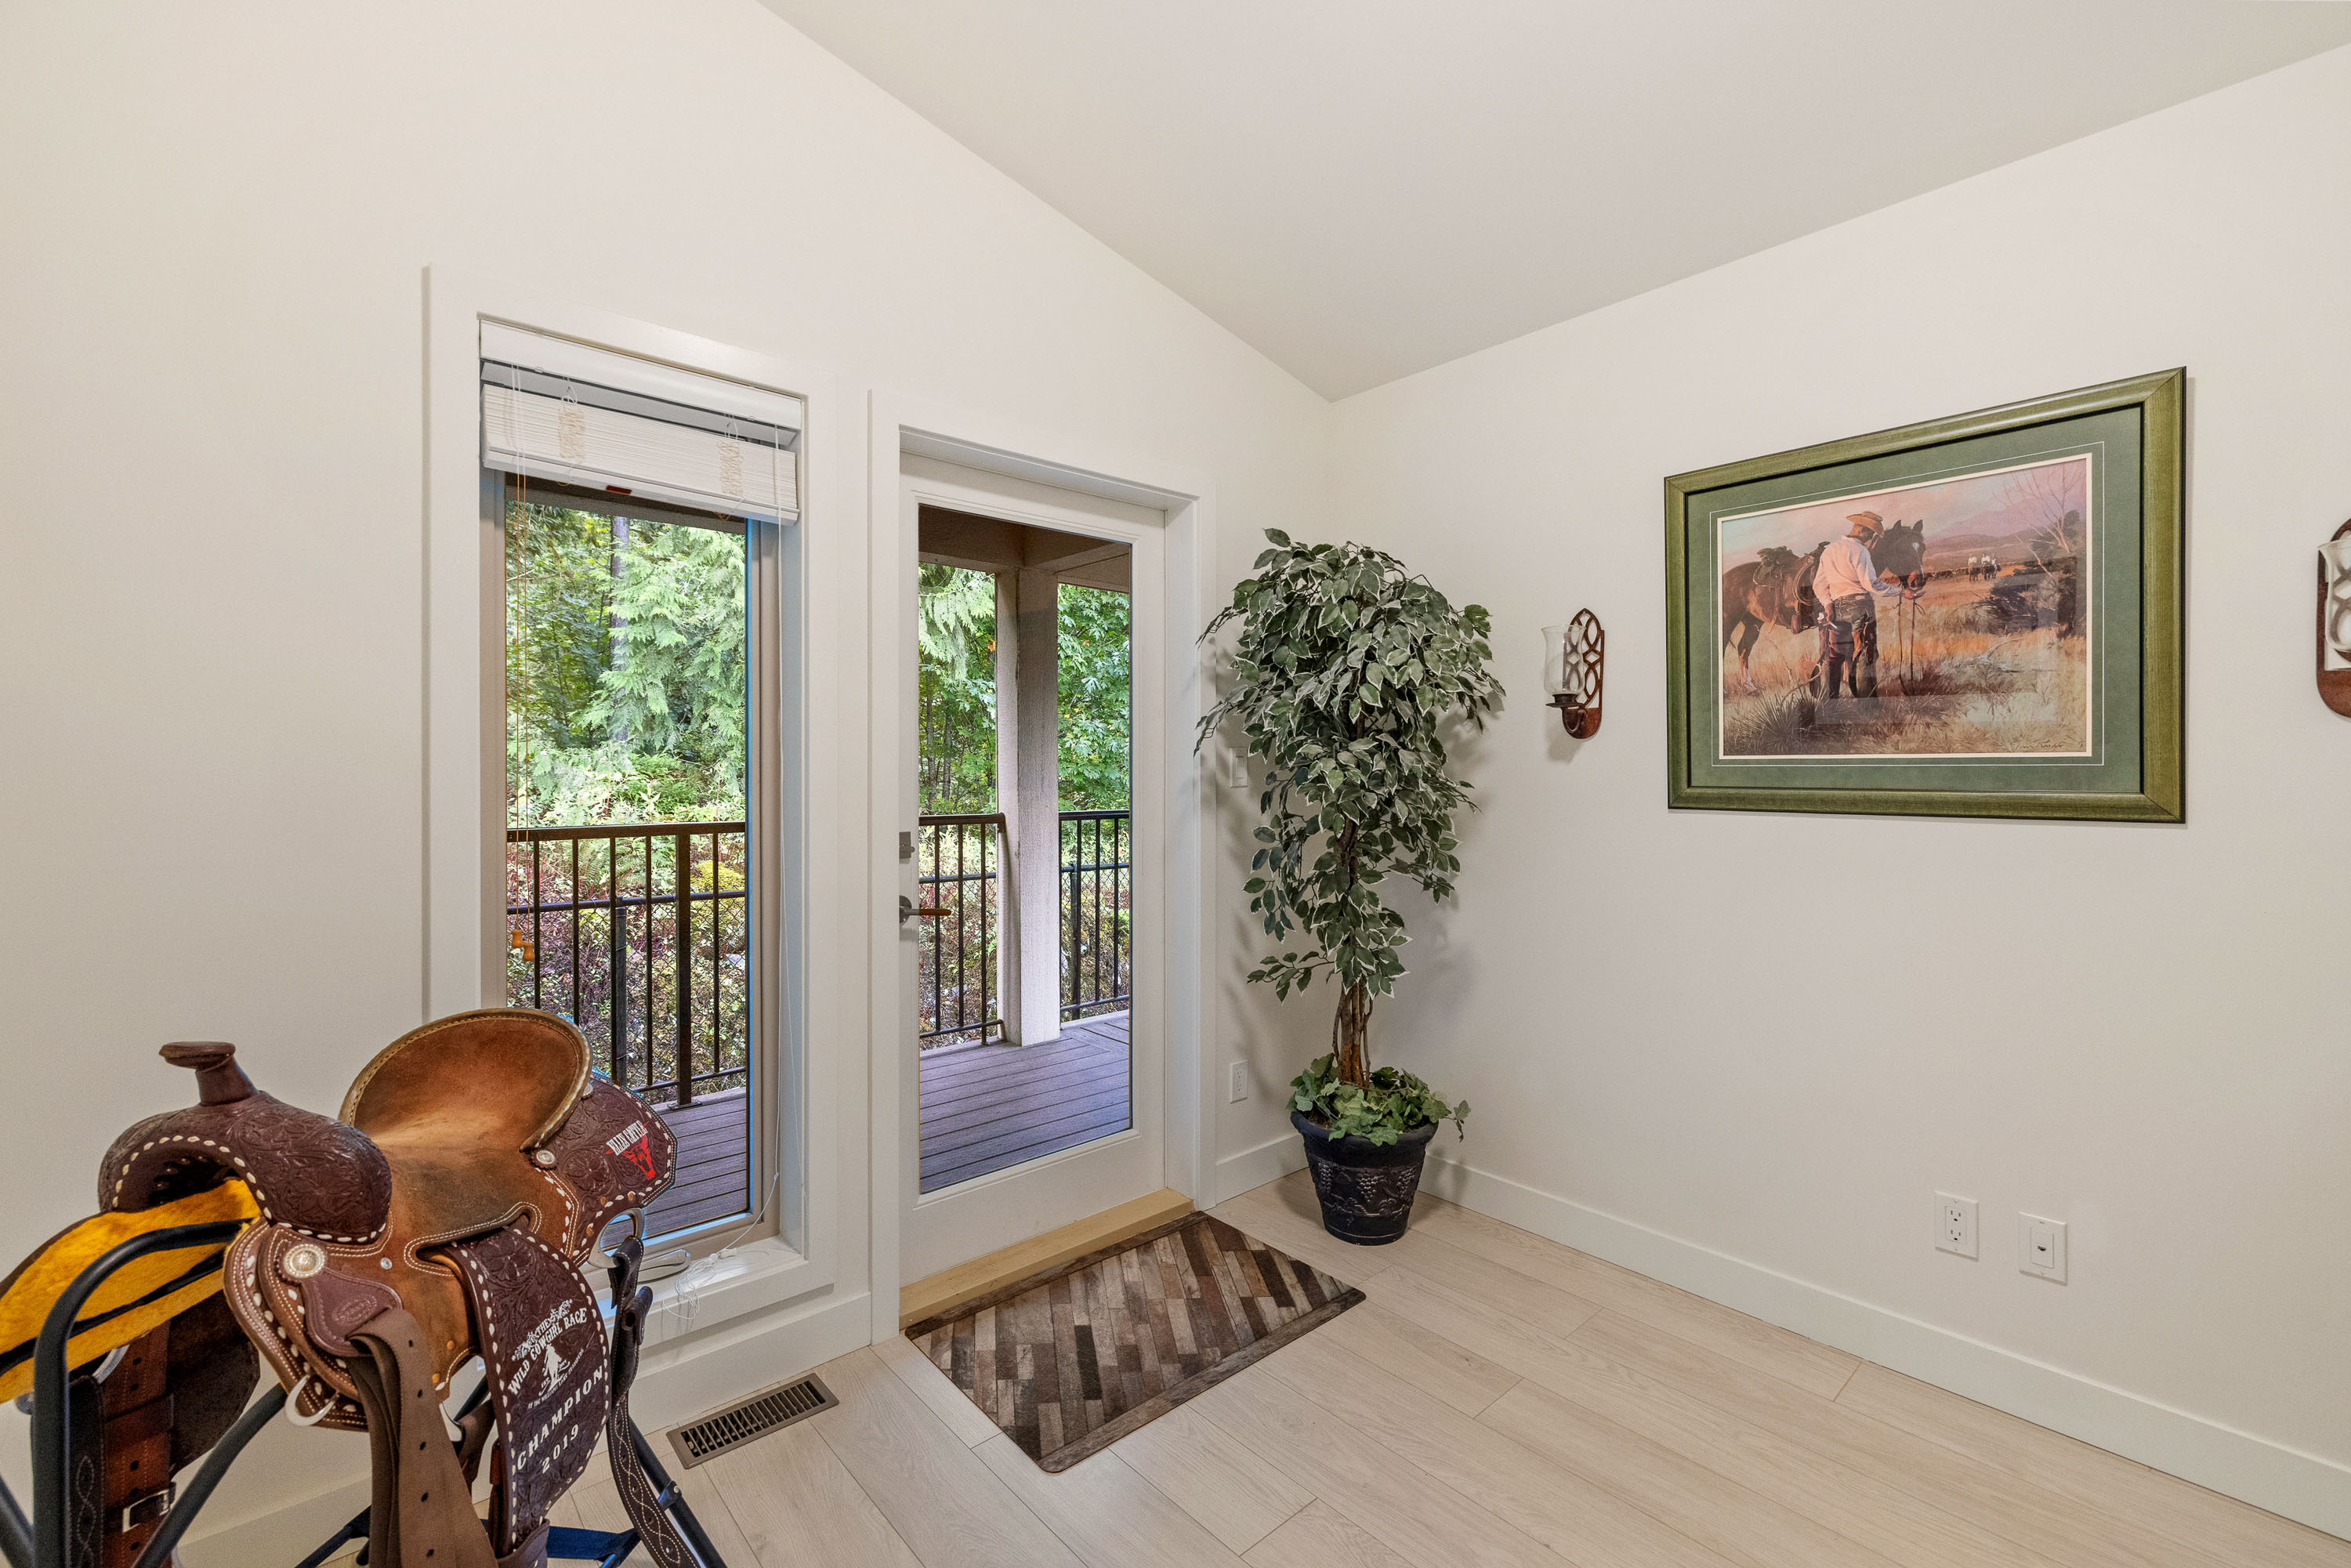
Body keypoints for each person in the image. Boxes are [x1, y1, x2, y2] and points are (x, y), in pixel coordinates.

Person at [1812, 511, 1905, 700]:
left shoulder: (1829, 550)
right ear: (1861, 529)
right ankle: (1867, 707)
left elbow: (1818, 585)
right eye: (1870, 534)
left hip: (1837, 608)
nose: (1870, 539)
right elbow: (1871, 584)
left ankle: (1829, 707)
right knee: (1864, 655)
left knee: (1833, 657)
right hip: (1860, 607)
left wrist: (1828, 605)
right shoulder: (1860, 550)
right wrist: (1901, 592)